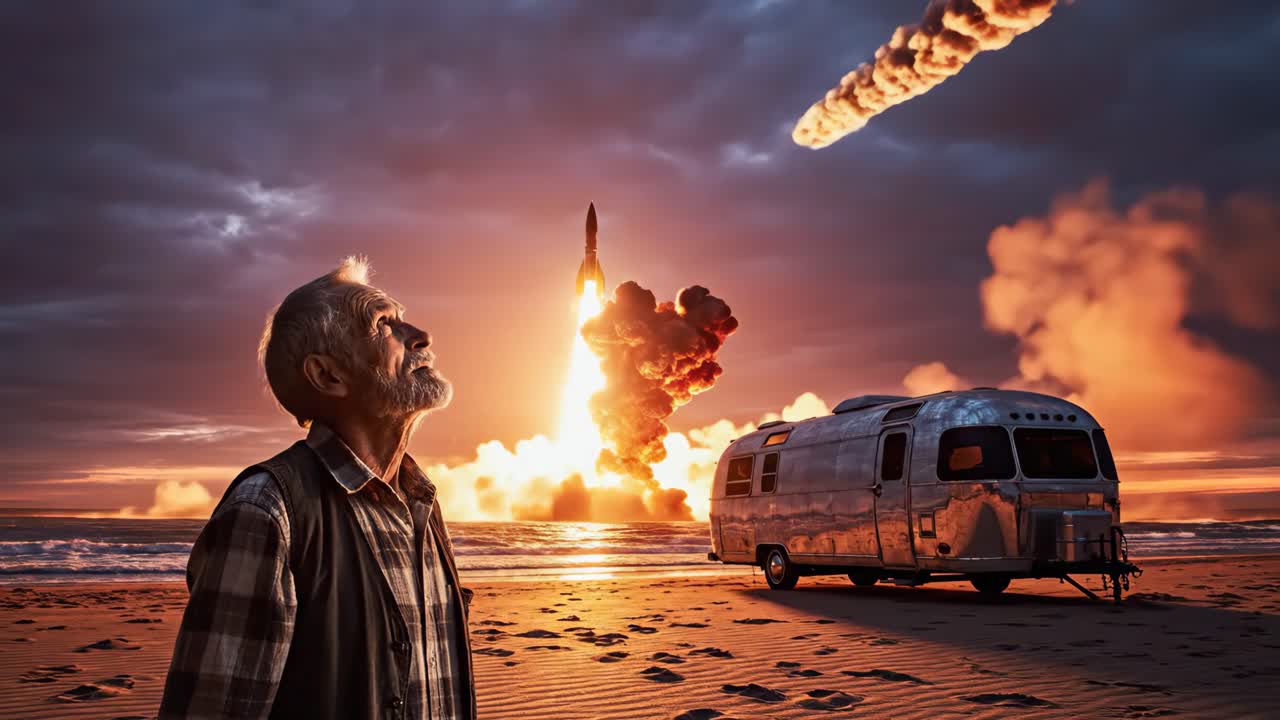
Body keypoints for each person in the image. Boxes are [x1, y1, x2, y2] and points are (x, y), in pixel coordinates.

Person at [159, 256, 474, 719]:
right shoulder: (266, 511)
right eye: (383, 324)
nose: (420, 336)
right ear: (328, 375)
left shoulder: (419, 502)